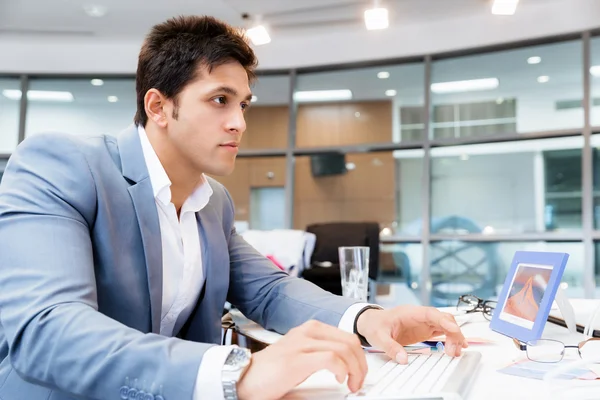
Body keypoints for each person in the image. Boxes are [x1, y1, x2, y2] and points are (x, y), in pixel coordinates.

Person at [0, 15, 467, 400]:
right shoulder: (62, 165)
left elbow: (269, 292)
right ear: (159, 107)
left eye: (243, 104)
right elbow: (46, 329)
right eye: (220, 100)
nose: (239, 122)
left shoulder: (213, 202)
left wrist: (369, 319)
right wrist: (235, 371)